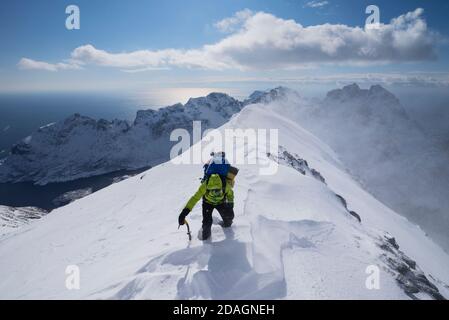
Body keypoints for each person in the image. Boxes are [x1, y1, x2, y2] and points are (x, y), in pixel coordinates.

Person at [178, 173, 234, 240]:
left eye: (217, 191)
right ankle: (206, 240)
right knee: (206, 224)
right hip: (208, 203)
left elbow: (230, 194)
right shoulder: (205, 185)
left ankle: (227, 226)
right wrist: (184, 213)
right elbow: (195, 198)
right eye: (213, 191)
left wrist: (230, 205)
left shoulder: (225, 185)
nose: (215, 193)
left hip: (220, 202)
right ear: (208, 188)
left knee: (229, 217)